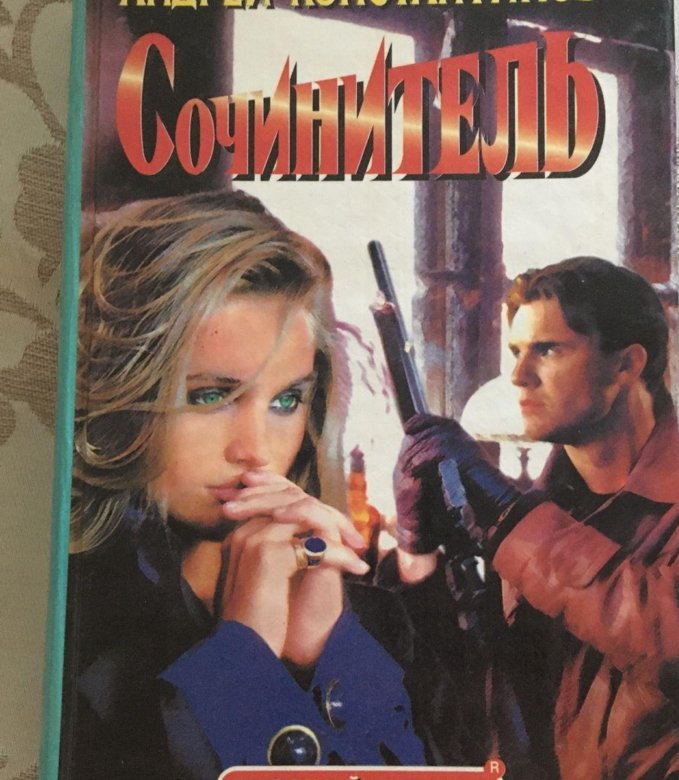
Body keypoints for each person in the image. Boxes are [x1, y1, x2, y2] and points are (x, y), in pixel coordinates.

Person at [62, 191, 473, 779]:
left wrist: (327, 657)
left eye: (285, 401)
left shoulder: (371, 624)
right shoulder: (62, 629)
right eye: (210, 396)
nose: (254, 449)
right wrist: (241, 663)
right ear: (120, 392)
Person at [384, 257, 679, 780]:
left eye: (547, 350)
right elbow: (463, 706)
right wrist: (417, 551)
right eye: (516, 351)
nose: (518, 376)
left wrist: (512, 520)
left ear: (626, 365)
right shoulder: (533, 520)